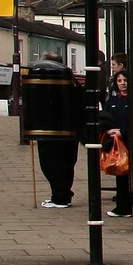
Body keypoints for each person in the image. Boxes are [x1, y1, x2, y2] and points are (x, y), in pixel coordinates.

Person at [32, 60, 81, 209]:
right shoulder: (74, 87)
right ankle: (59, 195)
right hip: (68, 133)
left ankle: (61, 197)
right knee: (64, 165)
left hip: (54, 132)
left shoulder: (58, 90)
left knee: (53, 166)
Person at [104, 58, 133, 217]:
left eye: (125, 80)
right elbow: (104, 118)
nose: (122, 83)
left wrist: (123, 132)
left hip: (132, 142)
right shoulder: (112, 101)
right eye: (119, 81)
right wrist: (109, 130)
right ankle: (122, 207)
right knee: (120, 173)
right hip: (117, 143)